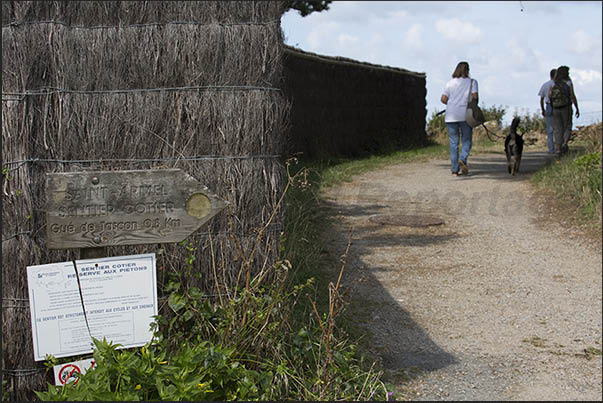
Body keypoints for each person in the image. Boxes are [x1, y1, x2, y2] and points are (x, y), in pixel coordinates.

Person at [440, 61, 478, 176]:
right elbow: (475, 97)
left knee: (453, 143)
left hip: (451, 115)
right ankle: (463, 158)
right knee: (467, 140)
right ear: (468, 70)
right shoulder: (472, 82)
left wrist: (452, 103)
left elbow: (443, 99)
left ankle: (454, 170)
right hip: (465, 115)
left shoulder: (450, 83)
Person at [549, 65, 579, 157]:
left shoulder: (552, 83)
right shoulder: (569, 83)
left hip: (555, 108)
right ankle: (565, 143)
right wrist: (577, 108)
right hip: (566, 107)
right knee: (567, 126)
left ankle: (558, 149)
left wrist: (551, 108)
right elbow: (572, 96)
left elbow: (550, 96)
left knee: (557, 129)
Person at [538, 68, 556, 154]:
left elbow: (541, 99)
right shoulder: (558, 84)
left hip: (548, 106)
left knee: (549, 129)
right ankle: (559, 148)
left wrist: (542, 109)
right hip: (558, 107)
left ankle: (551, 149)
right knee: (558, 128)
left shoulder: (545, 85)